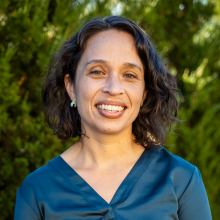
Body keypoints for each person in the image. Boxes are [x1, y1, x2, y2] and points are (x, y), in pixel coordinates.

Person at [14, 16, 212, 220]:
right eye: (97, 72)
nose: (113, 89)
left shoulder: (182, 180)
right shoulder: (36, 191)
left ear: (144, 93)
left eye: (129, 75)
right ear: (71, 86)